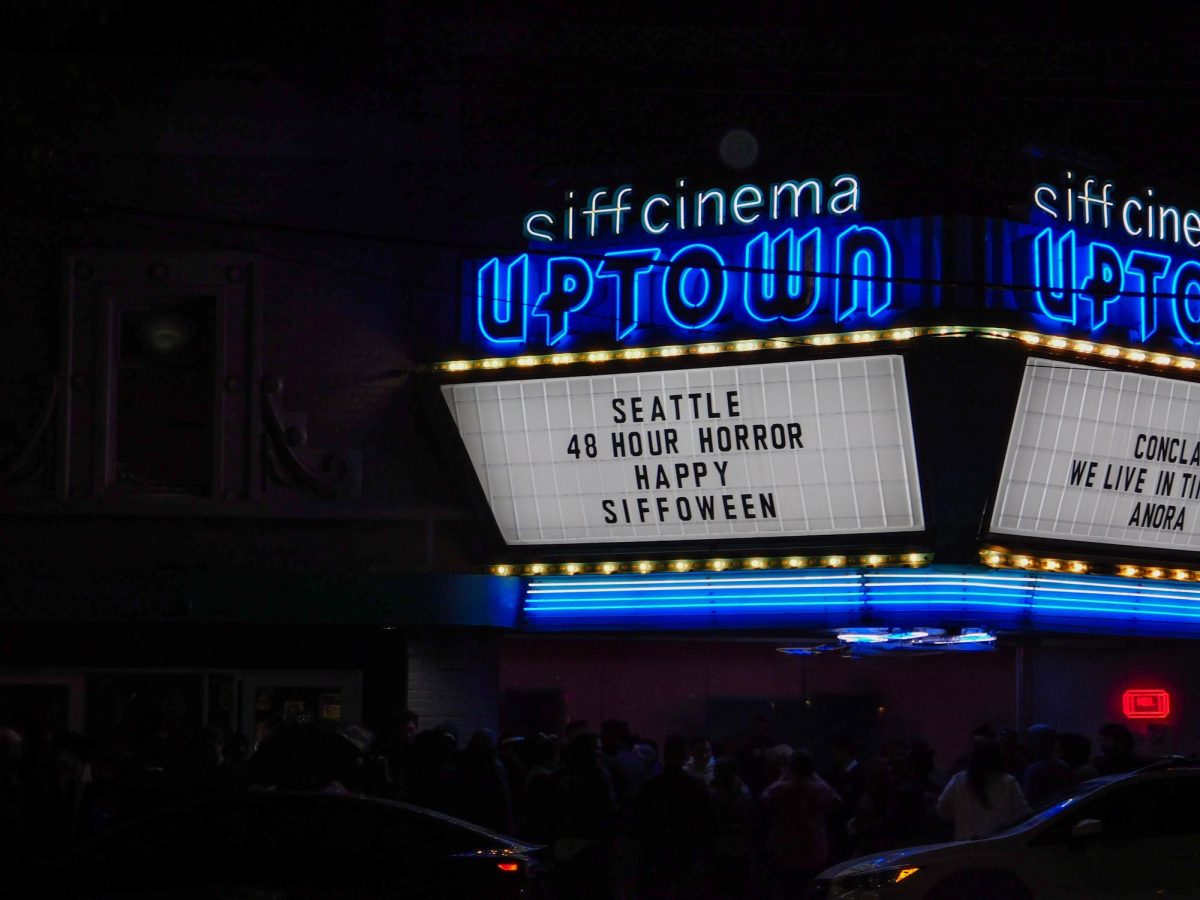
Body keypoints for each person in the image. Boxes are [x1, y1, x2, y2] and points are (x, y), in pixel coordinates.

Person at [761, 749, 841, 898]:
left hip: (787, 850)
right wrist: (816, 778)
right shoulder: (820, 788)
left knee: (791, 891)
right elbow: (836, 800)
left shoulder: (781, 789)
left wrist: (782, 777)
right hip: (815, 849)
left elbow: (765, 798)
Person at [936, 739, 1029, 841]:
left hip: (964, 848)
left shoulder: (958, 781)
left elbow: (942, 811)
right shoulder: (1008, 782)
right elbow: (1024, 815)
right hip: (1000, 846)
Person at [1021, 724, 1075, 805]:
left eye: (1030, 740)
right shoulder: (1064, 766)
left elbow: (1030, 802)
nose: (1027, 744)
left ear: (1038, 742)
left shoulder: (1034, 770)